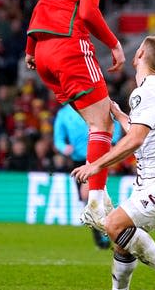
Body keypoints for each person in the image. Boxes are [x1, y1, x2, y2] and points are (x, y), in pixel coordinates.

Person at [25, 0, 155, 231]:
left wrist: (31, 47)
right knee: (102, 125)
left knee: (98, 115)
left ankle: (95, 197)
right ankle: (95, 201)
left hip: (43, 50)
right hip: (69, 44)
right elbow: (86, 11)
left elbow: (44, 0)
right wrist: (114, 43)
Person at [71, 35, 155, 290]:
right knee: (123, 238)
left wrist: (97, 164)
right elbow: (141, 133)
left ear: (139, 53)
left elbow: (137, 140)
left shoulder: (146, 92)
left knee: (115, 225)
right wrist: (119, 114)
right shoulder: (154, 91)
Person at [53, 104, 124, 249]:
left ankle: (106, 233)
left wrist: (113, 141)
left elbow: (113, 123)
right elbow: (58, 138)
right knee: (91, 197)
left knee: (87, 194)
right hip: (77, 160)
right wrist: (64, 147)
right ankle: (108, 231)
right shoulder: (63, 114)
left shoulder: (92, 105)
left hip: (98, 157)